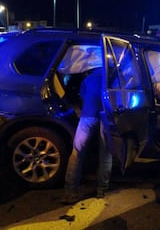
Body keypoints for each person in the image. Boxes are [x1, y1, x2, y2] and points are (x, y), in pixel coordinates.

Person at [58, 45, 112, 205]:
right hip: (107, 117)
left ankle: (70, 192)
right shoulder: (112, 77)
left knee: (77, 152)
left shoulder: (88, 79)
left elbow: (82, 96)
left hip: (88, 116)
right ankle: (102, 190)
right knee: (106, 153)